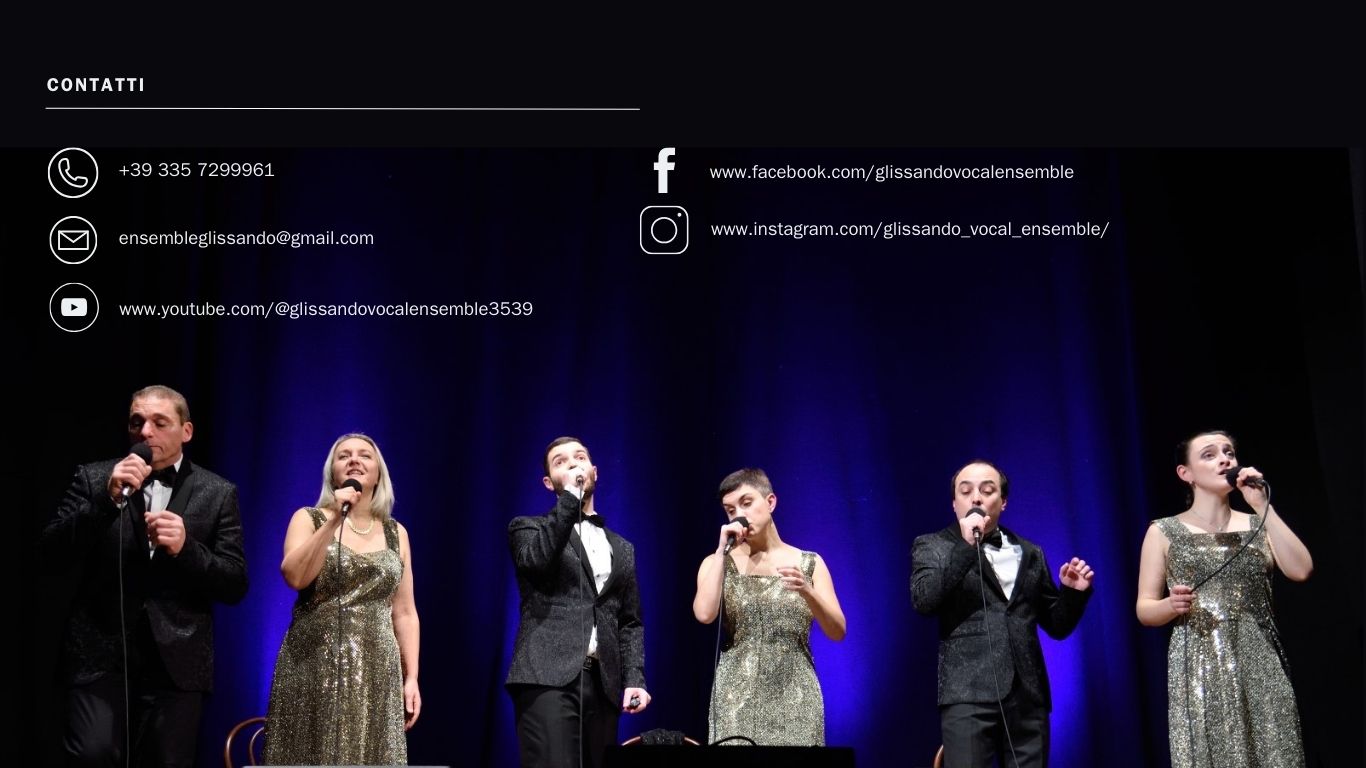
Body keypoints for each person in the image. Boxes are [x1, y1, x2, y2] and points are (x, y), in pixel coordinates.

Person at [43, 385, 248, 768]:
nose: (145, 432)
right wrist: (106, 501)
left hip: (177, 660)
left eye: (159, 422)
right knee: (94, 754)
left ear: (186, 431)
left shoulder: (218, 492)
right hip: (100, 651)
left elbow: (234, 583)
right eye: (137, 422)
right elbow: (51, 554)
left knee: (166, 761)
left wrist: (187, 549)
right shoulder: (95, 477)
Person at [1136, 430, 1312, 768]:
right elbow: (1144, 608)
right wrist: (1169, 606)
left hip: (1260, 661)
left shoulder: (1257, 523)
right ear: (1185, 473)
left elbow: (1301, 569)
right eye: (1209, 454)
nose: (1224, 459)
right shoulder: (1163, 531)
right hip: (1200, 666)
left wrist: (1261, 505)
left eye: (1229, 452)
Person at [910, 460, 1094, 768]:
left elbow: (1057, 625)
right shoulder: (933, 545)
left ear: (1003, 501)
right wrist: (966, 546)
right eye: (965, 491)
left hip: (1027, 696)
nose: (976, 498)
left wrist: (1073, 594)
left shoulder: (1030, 551)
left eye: (987, 490)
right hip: (968, 693)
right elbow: (925, 601)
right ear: (954, 503)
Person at [263, 433, 421, 765]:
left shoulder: (397, 532)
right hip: (314, 662)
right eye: (344, 455)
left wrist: (411, 678)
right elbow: (295, 576)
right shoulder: (308, 518)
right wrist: (335, 516)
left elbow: (405, 612)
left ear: (378, 473)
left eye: (365, 455)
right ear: (332, 473)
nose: (354, 460)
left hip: (378, 669)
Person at [506, 437, 650, 768]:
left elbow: (629, 620)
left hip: (603, 683)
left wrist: (634, 679)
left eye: (580, 457)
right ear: (548, 482)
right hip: (547, 677)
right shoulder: (527, 528)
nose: (572, 463)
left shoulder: (623, 547)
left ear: (594, 472)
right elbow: (537, 561)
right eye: (561, 461)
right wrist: (571, 497)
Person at [692, 468, 846, 746]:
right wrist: (720, 552)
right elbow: (704, 614)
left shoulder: (809, 563)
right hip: (735, 698)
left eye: (746, 503)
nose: (739, 515)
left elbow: (837, 631)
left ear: (770, 502)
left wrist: (808, 591)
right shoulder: (717, 563)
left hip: (795, 696)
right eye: (730, 510)